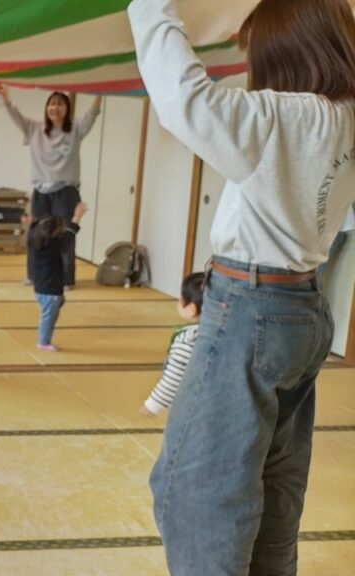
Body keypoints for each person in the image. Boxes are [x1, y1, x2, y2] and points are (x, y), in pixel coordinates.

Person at [129, 0, 355, 573]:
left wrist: (150, 7)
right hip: (303, 312)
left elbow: (185, 100)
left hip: (253, 310)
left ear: (283, 49)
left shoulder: (286, 117)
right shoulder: (345, 117)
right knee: (275, 486)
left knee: (197, 493)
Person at [0, 84, 101, 289]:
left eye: (60, 104)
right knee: (36, 234)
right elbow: (15, 116)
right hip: (41, 191)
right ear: (46, 108)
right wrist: (5, 98)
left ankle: (66, 279)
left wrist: (101, 92)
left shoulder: (76, 129)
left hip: (65, 190)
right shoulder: (35, 128)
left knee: (65, 235)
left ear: (67, 109)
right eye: (51, 104)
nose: (55, 108)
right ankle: (34, 275)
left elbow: (92, 114)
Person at [139, 272, 205, 417]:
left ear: (192, 309)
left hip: (192, 405)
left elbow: (174, 375)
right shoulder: (225, 334)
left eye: (181, 299)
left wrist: (154, 403)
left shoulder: (188, 339)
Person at [27, 203, 87, 351]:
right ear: (54, 233)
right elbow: (70, 233)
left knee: (54, 305)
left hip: (41, 287)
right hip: (50, 290)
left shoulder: (35, 241)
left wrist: (31, 223)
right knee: (49, 316)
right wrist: (77, 216)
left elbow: (36, 228)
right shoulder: (54, 246)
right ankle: (43, 342)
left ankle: (44, 339)